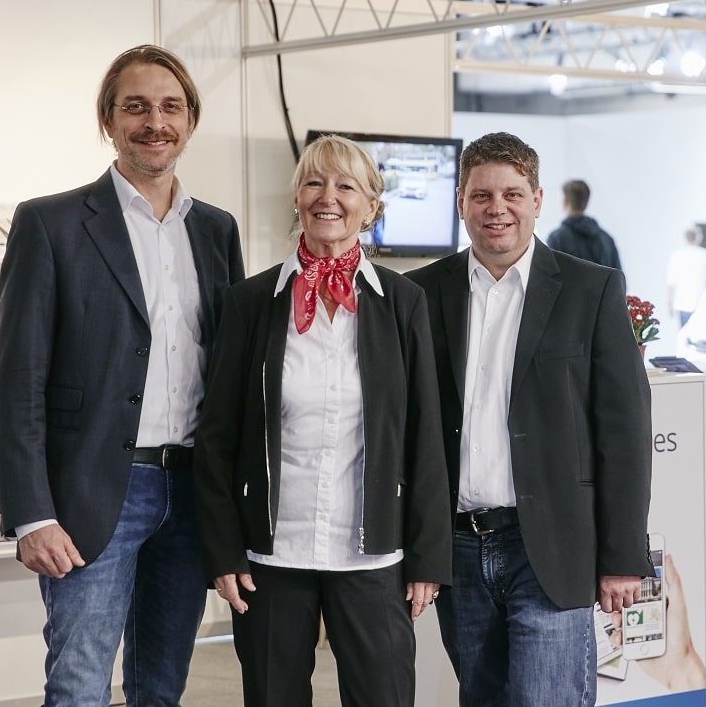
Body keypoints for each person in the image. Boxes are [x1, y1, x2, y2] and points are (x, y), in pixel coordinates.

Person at [0, 44, 245, 707]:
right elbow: (18, 383)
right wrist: (31, 514)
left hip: (192, 494)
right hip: (93, 493)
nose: (154, 122)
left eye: (170, 107)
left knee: (162, 690)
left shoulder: (216, 230)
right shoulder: (50, 223)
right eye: (135, 107)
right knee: (78, 687)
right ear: (108, 120)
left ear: (190, 121)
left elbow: (231, 374)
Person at [193, 134, 452, 707]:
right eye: (313, 182)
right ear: (296, 198)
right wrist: (223, 550)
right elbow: (216, 439)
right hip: (270, 555)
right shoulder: (250, 301)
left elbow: (425, 436)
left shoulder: (404, 302)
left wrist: (428, 556)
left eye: (345, 186)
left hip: (373, 555)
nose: (327, 196)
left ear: (372, 206)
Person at [405, 131, 652, 707]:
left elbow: (624, 434)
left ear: (537, 200)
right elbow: (409, 427)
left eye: (512, 194)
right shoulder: (421, 293)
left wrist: (622, 557)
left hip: (552, 547)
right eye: (482, 195)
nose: (497, 209)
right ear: (461, 202)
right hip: (460, 549)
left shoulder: (591, 289)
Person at [546, 178, 622, 270]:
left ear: (565, 201)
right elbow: (618, 277)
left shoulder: (556, 238)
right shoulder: (607, 239)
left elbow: (550, 276)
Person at [666, 227, 706, 327]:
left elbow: (670, 283)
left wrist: (669, 304)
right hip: (701, 303)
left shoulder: (676, 256)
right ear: (699, 237)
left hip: (682, 303)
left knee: (684, 333)